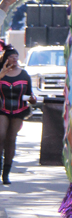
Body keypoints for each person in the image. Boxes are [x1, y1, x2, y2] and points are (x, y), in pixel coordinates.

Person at [0, 41, 35, 185]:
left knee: (11, 140)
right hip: (2, 109)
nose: (14, 59)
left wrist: (32, 99)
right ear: (6, 58)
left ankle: (6, 173)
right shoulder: (1, 73)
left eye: (16, 56)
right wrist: (1, 74)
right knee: (1, 135)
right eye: (11, 56)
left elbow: (29, 94)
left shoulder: (24, 74)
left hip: (19, 110)